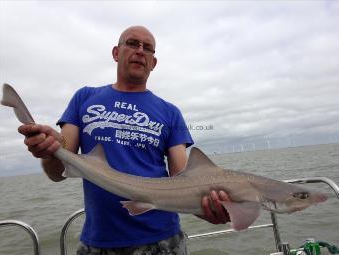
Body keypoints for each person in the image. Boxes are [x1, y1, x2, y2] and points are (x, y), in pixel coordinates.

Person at [18, 26, 230, 255]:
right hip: (97, 243)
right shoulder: (85, 98)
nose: (140, 51)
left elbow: (183, 180)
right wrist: (49, 151)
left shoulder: (170, 112)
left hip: (162, 241)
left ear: (154, 62)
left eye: (147, 48)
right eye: (132, 43)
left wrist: (209, 209)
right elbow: (58, 170)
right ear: (116, 53)